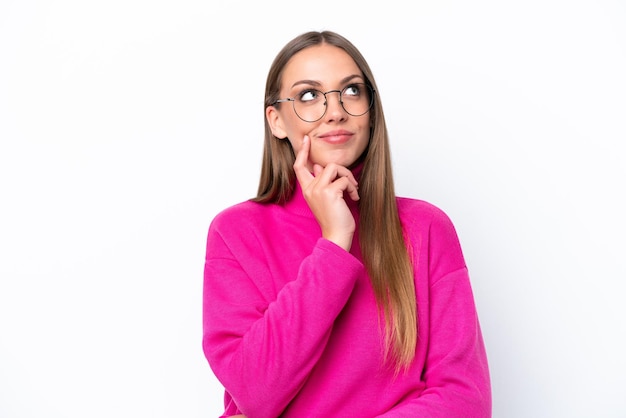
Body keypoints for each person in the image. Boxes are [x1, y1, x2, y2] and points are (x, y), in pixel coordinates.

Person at [202, 30, 491, 418]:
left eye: (351, 91)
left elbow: (464, 400)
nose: (335, 111)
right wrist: (335, 242)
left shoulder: (426, 228)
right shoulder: (236, 232)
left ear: (371, 111)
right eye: (308, 95)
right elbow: (255, 392)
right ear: (277, 121)